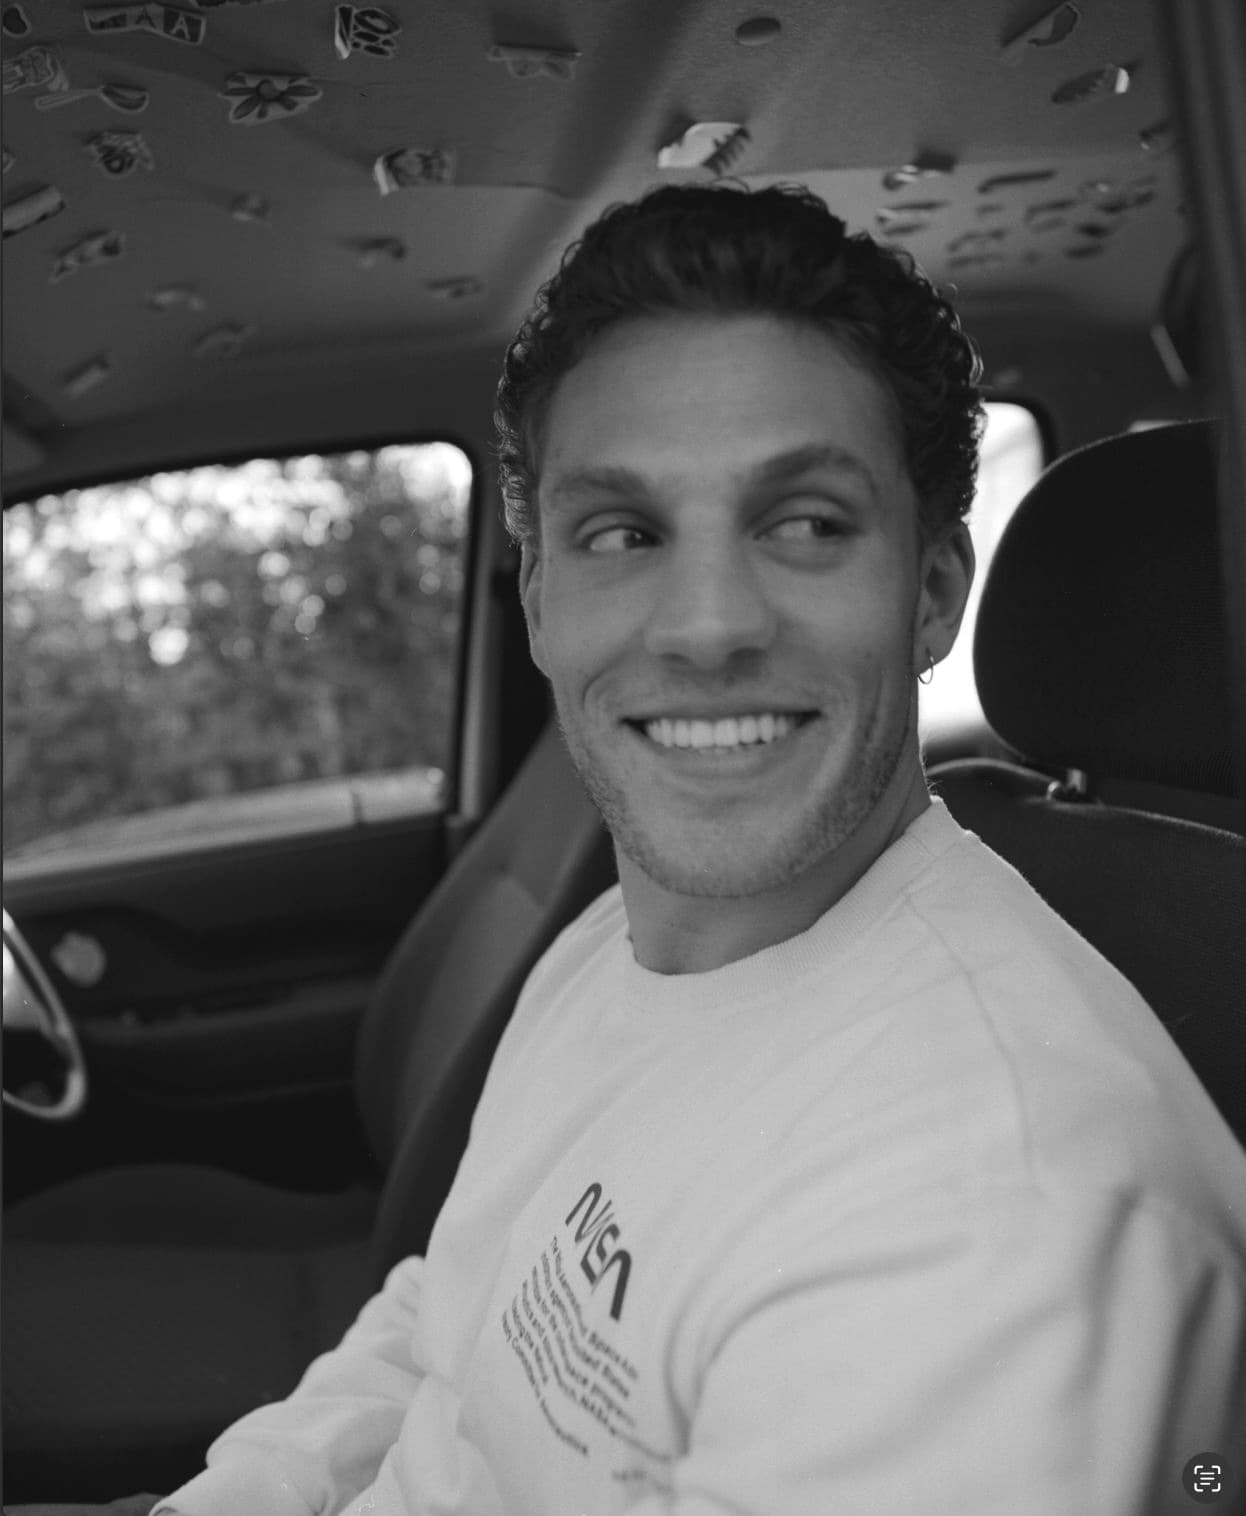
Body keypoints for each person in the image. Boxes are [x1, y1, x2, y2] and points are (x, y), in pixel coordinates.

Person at [25, 184, 1246, 1514]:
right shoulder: (610, 945)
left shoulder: (994, 1226)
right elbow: (440, 1317)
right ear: (542, 599)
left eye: (805, 523)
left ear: (931, 594)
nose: (707, 623)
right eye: (624, 533)